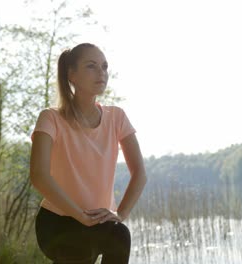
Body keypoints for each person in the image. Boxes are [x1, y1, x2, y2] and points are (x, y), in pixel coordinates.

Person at [30, 43, 147, 264]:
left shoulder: (117, 117)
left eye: (104, 66)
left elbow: (140, 173)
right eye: (91, 66)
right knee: (80, 251)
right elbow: (39, 175)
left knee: (120, 235)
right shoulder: (50, 118)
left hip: (97, 222)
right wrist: (80, 216)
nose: (101, 72)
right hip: (58, 222)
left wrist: (120, 214)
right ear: (71, 74)